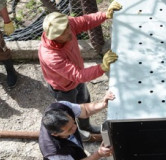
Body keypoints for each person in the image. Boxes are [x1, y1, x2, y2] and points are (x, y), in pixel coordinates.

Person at [38, 1, 122, 143]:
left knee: (84, 101)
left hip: (76, 82)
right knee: (68, 114)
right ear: (54, 36)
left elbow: (84, 21)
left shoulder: (65, 26)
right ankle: (74, 132)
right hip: (63, 89)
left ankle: (86, 126)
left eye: (67, 28)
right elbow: (78, 74)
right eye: (64, 33)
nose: (69, 31)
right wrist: (102, 67)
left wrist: (104, 15)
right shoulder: (51, 55)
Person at [39, 91, 115, 160]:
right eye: (69, 129)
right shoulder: (54, 151)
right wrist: (99, 154)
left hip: (74, 154)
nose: (75, 128)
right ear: (55, 134)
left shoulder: (61, 107)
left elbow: (85, 110)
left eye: (73, 123)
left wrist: (103, 104)